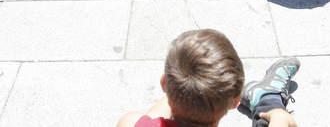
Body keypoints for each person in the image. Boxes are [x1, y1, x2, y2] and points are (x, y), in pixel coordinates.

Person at [117, 29, 299, 127]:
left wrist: (180, 87)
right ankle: (269, 98)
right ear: (235, 101)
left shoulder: (130, 122)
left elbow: (149, 119)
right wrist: (279, 117)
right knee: (271, 117)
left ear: (163, 83)